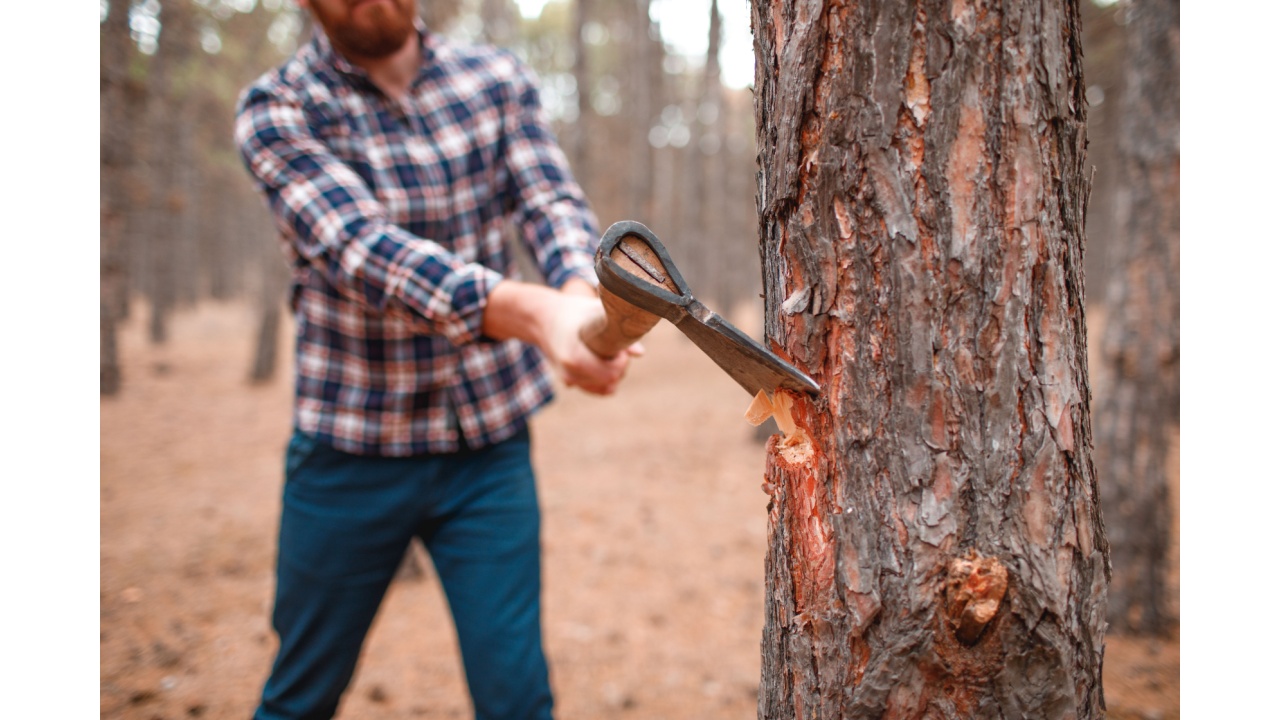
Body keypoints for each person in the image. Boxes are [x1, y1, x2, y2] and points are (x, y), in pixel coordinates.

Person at [233, 1, 639, 718]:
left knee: (517, 699)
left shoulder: (494, 78)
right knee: (300, 697)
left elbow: (547, 199)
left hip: (487, 450)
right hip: (350, 452)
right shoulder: (278, 110)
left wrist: (581, 297)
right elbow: (361, 251)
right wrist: (538, 314)